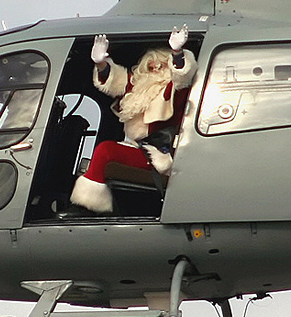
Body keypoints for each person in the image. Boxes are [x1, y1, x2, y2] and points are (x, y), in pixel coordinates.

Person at [69, 26, 196, 213]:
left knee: (105, 151)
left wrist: (177, 53)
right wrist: (101, 65)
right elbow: (118, 82)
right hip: (137, 147)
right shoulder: (138, 89)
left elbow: (182, 77)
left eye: (160, 64)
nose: (155, 68)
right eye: (150, 65)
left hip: (157, 154)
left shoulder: (171, 90)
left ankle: (87, 207)